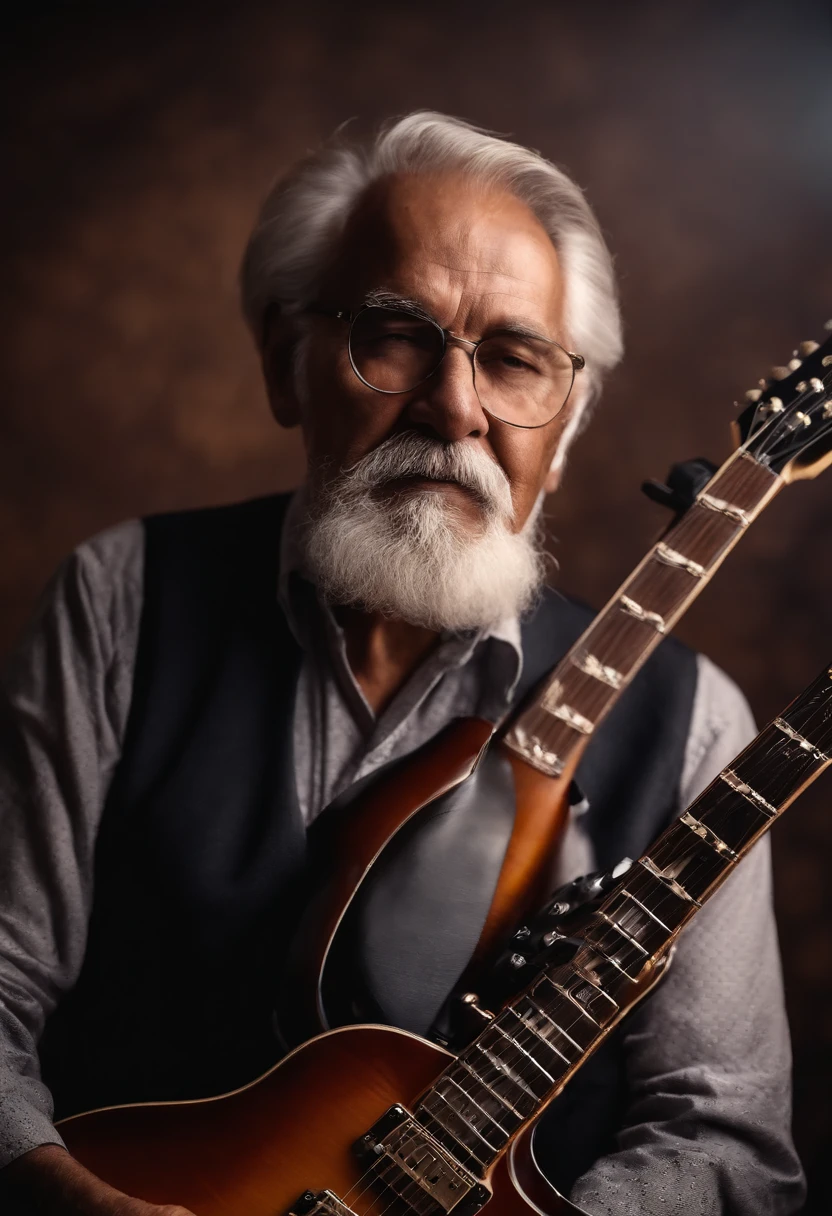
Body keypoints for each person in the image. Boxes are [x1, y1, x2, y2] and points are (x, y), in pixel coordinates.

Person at [0, 112, 804, 1215]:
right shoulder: (120, 602)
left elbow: (722, 1137)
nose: (455, 407)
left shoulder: (694, 720)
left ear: (563, 430)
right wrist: (56, 1191)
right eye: (394, 335)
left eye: (516, 360)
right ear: (288, 365)